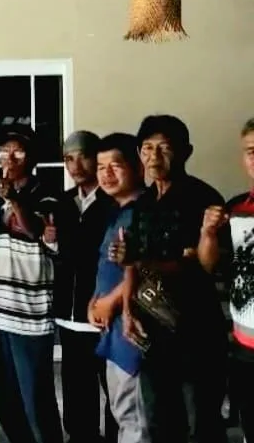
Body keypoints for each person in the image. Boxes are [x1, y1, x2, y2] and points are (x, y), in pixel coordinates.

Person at [122, 115, 228, 443]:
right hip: (152, 329)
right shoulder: (143, 203)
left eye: (164, 148)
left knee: (201, 424)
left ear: (185, 152)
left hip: (197, 328)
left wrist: (162, 261)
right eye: (147, 148)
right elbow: (133, 262)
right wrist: (127, 310)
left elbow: (206, 265)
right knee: (158, 421)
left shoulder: (204, 198)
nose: (154, 156)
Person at [0, 124, 63, 443]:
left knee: (36, 397)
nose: (10, 157)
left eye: (18, 151)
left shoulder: (48, 192)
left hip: (30, 313)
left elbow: (34, 232)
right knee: (3, 396)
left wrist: (14, 199)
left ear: (32, 157)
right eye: (5, 151)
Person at [53, 131, 118, 443]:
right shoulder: (63, 203)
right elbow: (60, 254)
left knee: (115, 389)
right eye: (69, 159)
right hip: (70, 312)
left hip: (106, 312)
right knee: (77, 387)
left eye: (83, 157)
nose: (76, 166)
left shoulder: (114, 202)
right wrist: (49, 242)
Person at [88, 133, 148, 443]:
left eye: (115, 165)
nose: (106, 174)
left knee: (135, 417)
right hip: (112, 330)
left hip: (131, 329)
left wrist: (110, 302)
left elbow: (145, 270)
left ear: (137, 167)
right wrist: (95, 301)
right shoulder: (118, 211)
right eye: (101, 167)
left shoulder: (144, 212)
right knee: (122, 410)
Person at [200, 117, 254, 440]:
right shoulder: (235, 209)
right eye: (250, 151)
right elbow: (209, 265)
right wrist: (207, 232)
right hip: (245, 345)